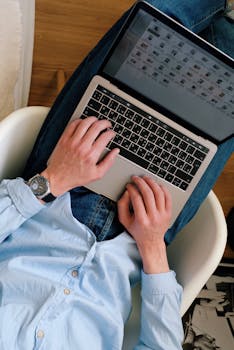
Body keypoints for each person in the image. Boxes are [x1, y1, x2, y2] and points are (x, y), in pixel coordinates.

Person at [0, 1, 233, 349]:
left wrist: (53, 180)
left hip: (61, 190)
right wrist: (153, 245)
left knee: (155, 22)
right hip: (142, 228)